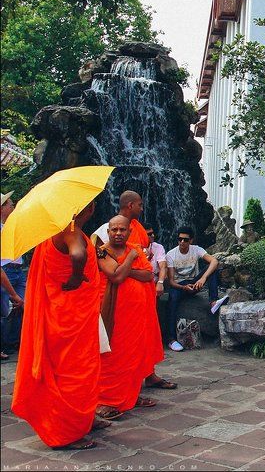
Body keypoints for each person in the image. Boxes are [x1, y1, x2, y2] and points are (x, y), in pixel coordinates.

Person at [12, 202, 112, 450]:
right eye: (90, 206)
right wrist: (77, 276)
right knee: (73, 370)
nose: (93, 209)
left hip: (69, 312)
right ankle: (65, 432)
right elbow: (78, 254)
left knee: (82, 366)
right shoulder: (71, 232)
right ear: (82, 210)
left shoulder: (54, 233)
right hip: (70, 316)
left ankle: (84, 417)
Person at [95, 191, 173, 390]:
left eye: (123, 230)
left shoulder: (137, 228)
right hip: (117, 301)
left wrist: (129, 267)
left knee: (144, 339)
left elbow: (147, 271)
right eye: (139, 204)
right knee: (119, 347)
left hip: (142, 298)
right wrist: (128, 263)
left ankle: (148, 374)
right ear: (130, 205)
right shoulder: (104, 231)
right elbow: (114, 272)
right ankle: (121, 387)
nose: (142, 208)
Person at [95, 216, 158, 419]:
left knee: (133, 356)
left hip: (135, 315)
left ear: (129, 232)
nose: (118, 233)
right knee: (111, 357)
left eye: (122, 230)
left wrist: (125, 268)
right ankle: (104, 401)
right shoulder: (102, 250)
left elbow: (148, 275)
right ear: (108, 231)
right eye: (114, 230)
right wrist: (130, 260)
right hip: (112, 314)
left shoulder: (135, 248)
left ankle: (130, 395)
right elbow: (115, 277)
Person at [166, 227, 220, 352]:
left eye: (185, 240)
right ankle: (171, 339)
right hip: (180, 286)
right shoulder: (171, 254)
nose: (182, 242)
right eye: (179, 239)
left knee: (213, 270)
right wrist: (183, 287)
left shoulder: (196, 249)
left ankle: (213, 302)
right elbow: (172, 282)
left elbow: (214, 261)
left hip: (195, 283)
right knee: (172, 298)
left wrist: (202, 279)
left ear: (191, 240)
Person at [1, 191, 25, 361]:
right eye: (9, 204)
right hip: (5, 270)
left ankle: (13, 342)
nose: (13, 206)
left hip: (17, 269)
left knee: (21, 305)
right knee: (3, 311)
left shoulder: (9, 225)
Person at [144, 224, 167, 292]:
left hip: (155, 282)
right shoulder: (134, 248)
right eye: (149, 234)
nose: (153, 236)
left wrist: (160, 283)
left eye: (153, 233)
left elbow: (163, 266)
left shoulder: (158, 247)